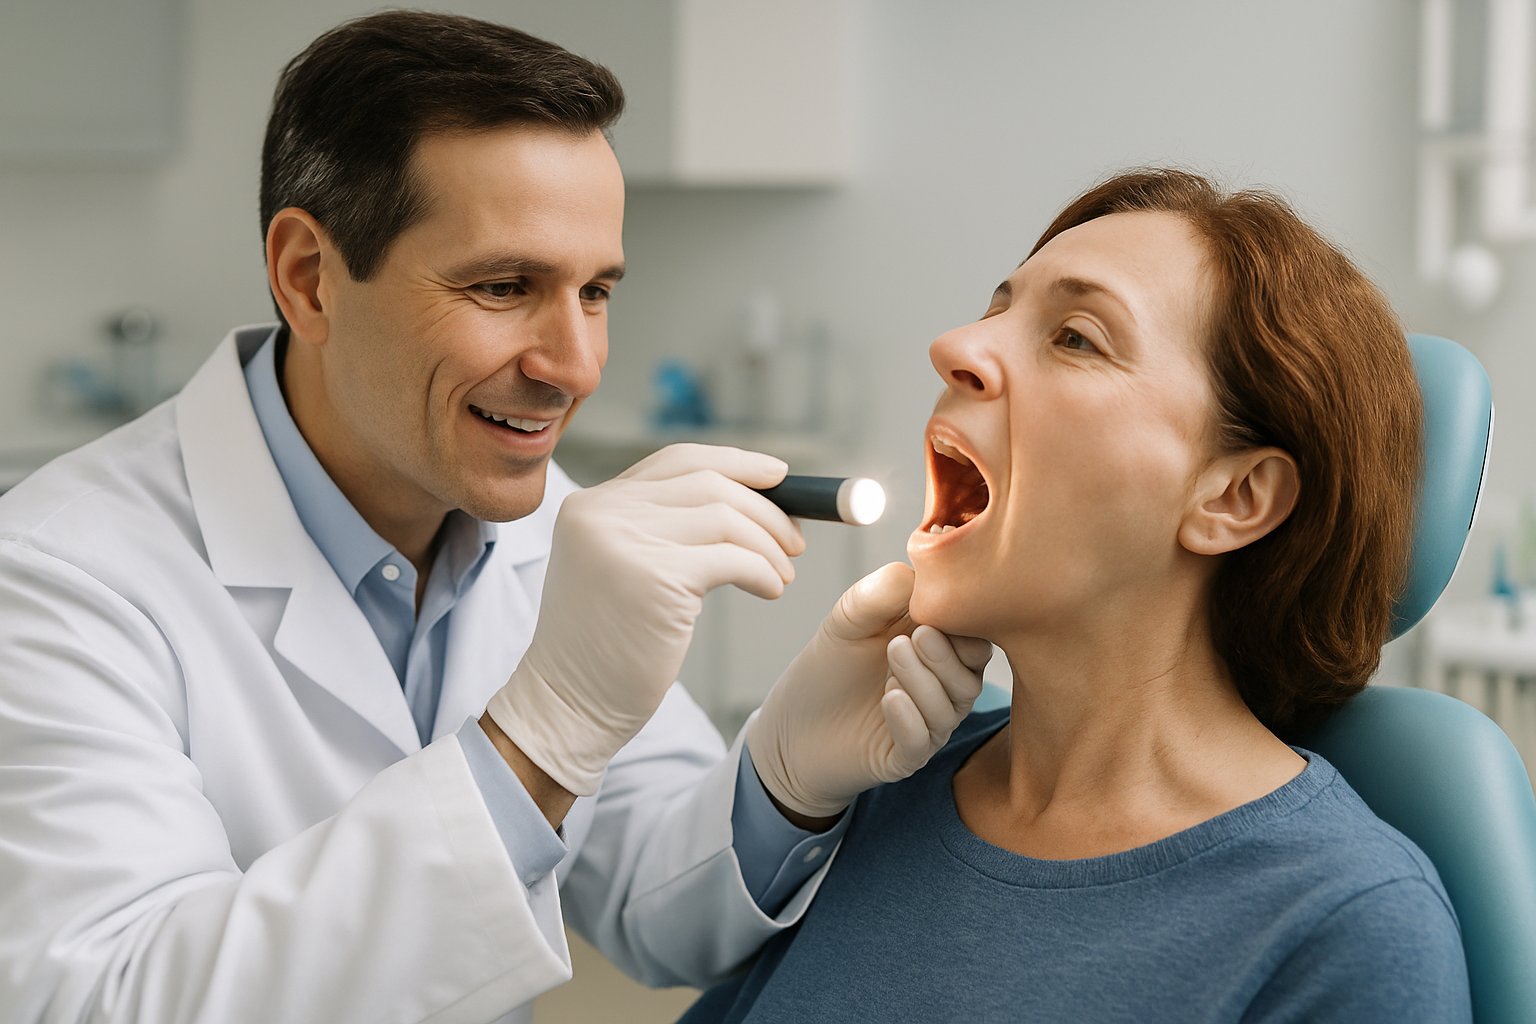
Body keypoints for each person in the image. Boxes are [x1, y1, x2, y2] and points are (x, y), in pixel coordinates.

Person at [0, 12, 992, 1023]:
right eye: (505, 285)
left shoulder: (532, 518)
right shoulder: (54, 580)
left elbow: (655, 901)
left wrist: (786, 772)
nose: (575, 365)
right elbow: (106, 1001)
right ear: (309, 277)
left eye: (596, 290)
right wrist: (536, 740)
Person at [683, 169, 1474, 1023]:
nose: (955, 345)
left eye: (1075, 337)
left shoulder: (1345, 926)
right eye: (996, 311)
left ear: (1231, 498)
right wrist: (787, 789)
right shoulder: (878, 788)